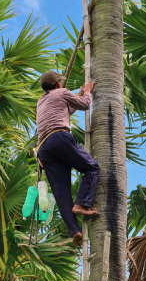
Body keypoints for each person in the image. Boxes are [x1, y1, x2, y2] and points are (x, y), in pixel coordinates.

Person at [35, 71, 100, 247]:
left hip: (44, 149)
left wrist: (77, 94)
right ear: (58, 84)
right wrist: (86, 91)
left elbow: (67, 108)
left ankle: (75, 231)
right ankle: (81, 203)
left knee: (61, 193)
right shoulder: (62, 92)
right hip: (59, 138)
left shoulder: (41, 101)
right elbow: (85, 105)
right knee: (92, 168)